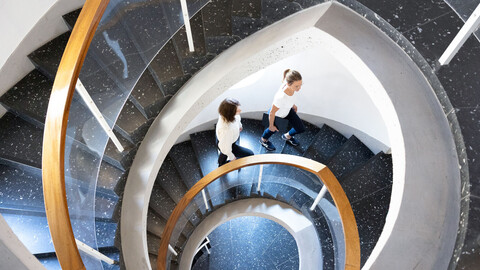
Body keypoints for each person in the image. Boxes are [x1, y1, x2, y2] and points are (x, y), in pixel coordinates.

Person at [260, 69, 306, 151]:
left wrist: (293, 105)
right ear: (288, 84)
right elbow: (272, 112)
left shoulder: (289, 85)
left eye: (300, 85)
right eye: (297, 86)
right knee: (272, 130)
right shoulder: (281, 97)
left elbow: (289, 99)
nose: (299, 88)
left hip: (287, 110)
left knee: (300, 128)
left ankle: (287, 136)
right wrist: (271, 125)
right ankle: (263, 140)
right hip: (278, 115)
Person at [216, 98, 254, 166]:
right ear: (230, 113)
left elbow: (237, 119)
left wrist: (240, 126)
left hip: (226, 140)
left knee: (224, 153)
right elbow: (225, 148)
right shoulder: (226, 130)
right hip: (226, 143)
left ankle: (221, 163)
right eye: (236, 109)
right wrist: (232, 157)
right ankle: (221, 165)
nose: (240, 110)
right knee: (250, 154)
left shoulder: (225, 115)